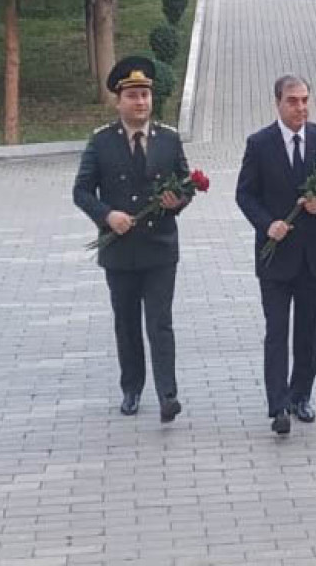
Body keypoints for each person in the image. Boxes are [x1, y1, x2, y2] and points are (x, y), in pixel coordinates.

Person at [73, 56, 189, 423]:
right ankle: (132, 388)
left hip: (159, 249)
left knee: (160, 322)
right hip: (120, 250)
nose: (141, 103)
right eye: (133, 96)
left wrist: (178, 201)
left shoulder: (168, 140)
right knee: (126, 323)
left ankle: (167, 393)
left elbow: (185, 184)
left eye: (145, 95)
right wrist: (107, 215)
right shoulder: (101, 142)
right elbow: (81, 191)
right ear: (119, 101)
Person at [235, 75, 316, 435]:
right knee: (277, 331)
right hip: (275, 256)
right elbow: (245, 194)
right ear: (277, 103)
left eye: (304, 100)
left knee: (308, 331)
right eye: (292, 101)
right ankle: (278, 404)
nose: (300, 107)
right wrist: (267, 225)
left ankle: (302, 395)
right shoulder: (259, 144)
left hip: (313, 254)